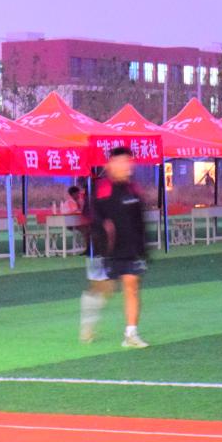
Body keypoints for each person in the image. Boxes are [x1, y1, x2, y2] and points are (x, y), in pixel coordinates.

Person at [79, 146, 150, 348]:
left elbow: (140, 220)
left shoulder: (133, 189)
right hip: (105, 251)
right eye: (121, 162)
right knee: (104, 290)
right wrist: (103, 228)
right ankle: (88, 321)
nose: (126, 166)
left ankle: (131, 334)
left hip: (129, 250)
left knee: (132, 285)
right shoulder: (102, 189)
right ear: (110, 165)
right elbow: (90, 216)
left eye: (128, 161)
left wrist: (143, 248)